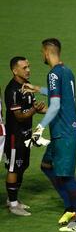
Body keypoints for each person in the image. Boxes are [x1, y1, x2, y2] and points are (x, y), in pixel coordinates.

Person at [23, 38, 76, 232]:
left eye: (42, 52)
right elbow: (60, 95)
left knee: (66, 176)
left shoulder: (53, 74)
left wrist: (39, 128)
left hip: (63, 131)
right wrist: (37, 88)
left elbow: (56, 105)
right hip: (66, 128)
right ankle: (70, 206)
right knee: (46, 165)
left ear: (46, 52)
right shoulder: (66, 71)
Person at [4, 57, 46, 216]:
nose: (28, 70)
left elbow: (34, 107)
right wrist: (35, 110)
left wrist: (52, 110)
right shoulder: (12, 90)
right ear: (15, 70)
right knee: (14, 167)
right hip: (15, 136)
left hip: (26, 135)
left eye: (28, 66)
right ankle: (13, 204)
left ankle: (13, 199)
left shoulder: (25, 87)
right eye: (24, 68)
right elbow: (20, 116)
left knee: (22, 166)